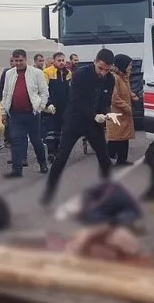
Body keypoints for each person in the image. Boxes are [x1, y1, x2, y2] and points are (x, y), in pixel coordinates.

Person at [41, 48, 116, 206]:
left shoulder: (110, 79)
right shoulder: (81, 74)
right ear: (95, 61)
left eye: (107, 69)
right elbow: (76, 100)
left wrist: (104, 115)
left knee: (104, 158)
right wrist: (93, 114)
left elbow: (105, 100)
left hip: (93, 124)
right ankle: (48, 193)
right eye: (100, 68)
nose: (103, 72)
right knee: (61, 157)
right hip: (74, 120)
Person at [0, 49, 49, 178]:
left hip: (32, 113)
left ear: (26, 59)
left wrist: (40, 107)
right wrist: (4, 112)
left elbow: (44, 92)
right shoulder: (9, 74)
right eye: (16, 61)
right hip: (15, 114)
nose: (18, 63)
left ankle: (42, 163)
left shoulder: (36, 73)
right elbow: (5, 94)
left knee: (36, 141)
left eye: (20, 60)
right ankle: (17, 169)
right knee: (16, 141)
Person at [106, 54, 137, 166]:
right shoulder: (115, 78)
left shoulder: (124, 77)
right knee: (115, 138)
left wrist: (132, 95)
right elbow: (114, 97)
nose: (130, 67)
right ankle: (106, 160)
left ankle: (122, 159)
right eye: (129, 65)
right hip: (117, 113)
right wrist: (126, 106)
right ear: (123, 65)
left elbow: (126, 91)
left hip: (124, 113)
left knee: (124, 137)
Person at [41, 51, 71, 163]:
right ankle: (51, 153)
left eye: (63, 60)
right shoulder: (47, 72)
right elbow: (44, 90)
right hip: (51, 107)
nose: (62, 62)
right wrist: (48, 104)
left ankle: (58, 152)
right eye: (59, 60)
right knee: (51, 131)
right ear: (54, 61)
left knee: (60, 131)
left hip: (64, 107)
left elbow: (70, 91)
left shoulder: (68, 73)